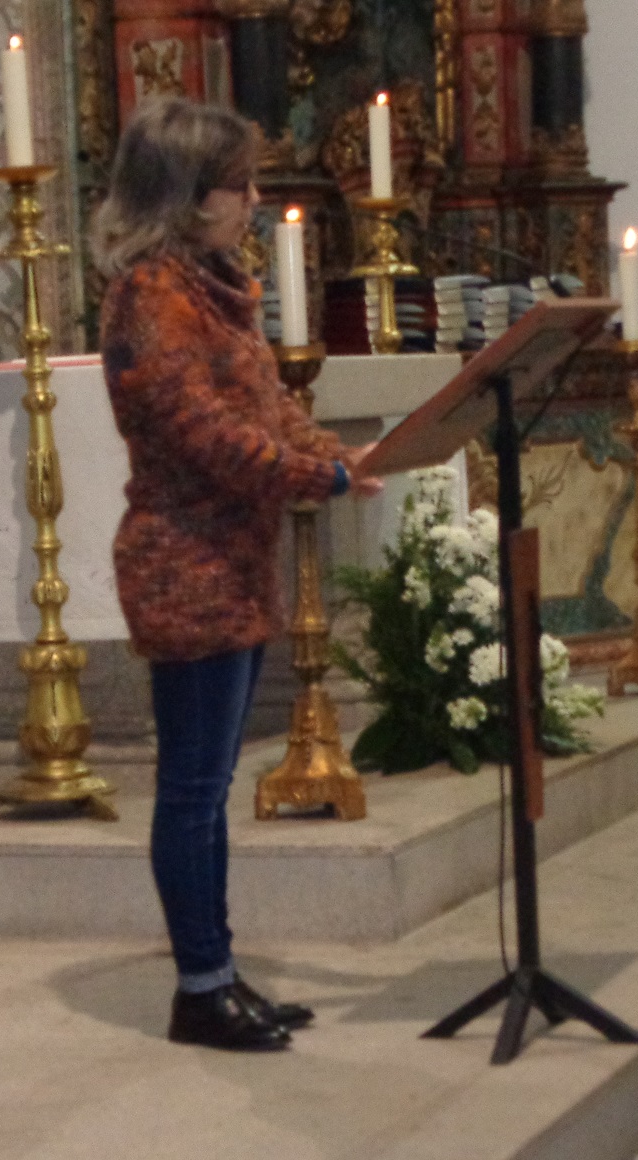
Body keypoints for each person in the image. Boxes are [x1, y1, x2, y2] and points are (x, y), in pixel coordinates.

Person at [93, 97, 382, 1052]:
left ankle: (216, 970)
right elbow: (207, 436)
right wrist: (316, 477)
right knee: (191, 791)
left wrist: (334, 453)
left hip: (233, 563)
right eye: (238, 185)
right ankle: (200, 988)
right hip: (187, 568)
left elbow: (263, 407)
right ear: (186, 196)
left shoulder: (212, 285)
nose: (254, 199)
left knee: (209, 788)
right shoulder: (149, 298)